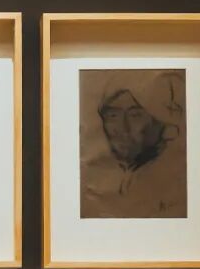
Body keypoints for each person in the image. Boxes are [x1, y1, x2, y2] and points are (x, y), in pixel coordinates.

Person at [80, 70, 186, 218]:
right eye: (113, 115)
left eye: (135, 115)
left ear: (162, 121)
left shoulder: (174, 183)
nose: (123, 128)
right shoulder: (111, 179)